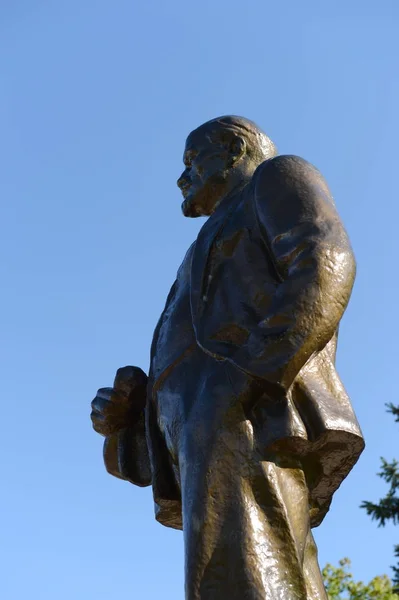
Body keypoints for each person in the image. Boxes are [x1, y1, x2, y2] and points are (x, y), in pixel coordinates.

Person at [91, 116, 364, 599]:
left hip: (245, 404)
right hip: (207, 421)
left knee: (244, 568)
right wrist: (129, 423)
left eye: (192, 161)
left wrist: (251, 373)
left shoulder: (278, 177)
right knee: (267, 567)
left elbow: (324, 256)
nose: (182, 178)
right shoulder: (197, 250)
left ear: (235, 148)